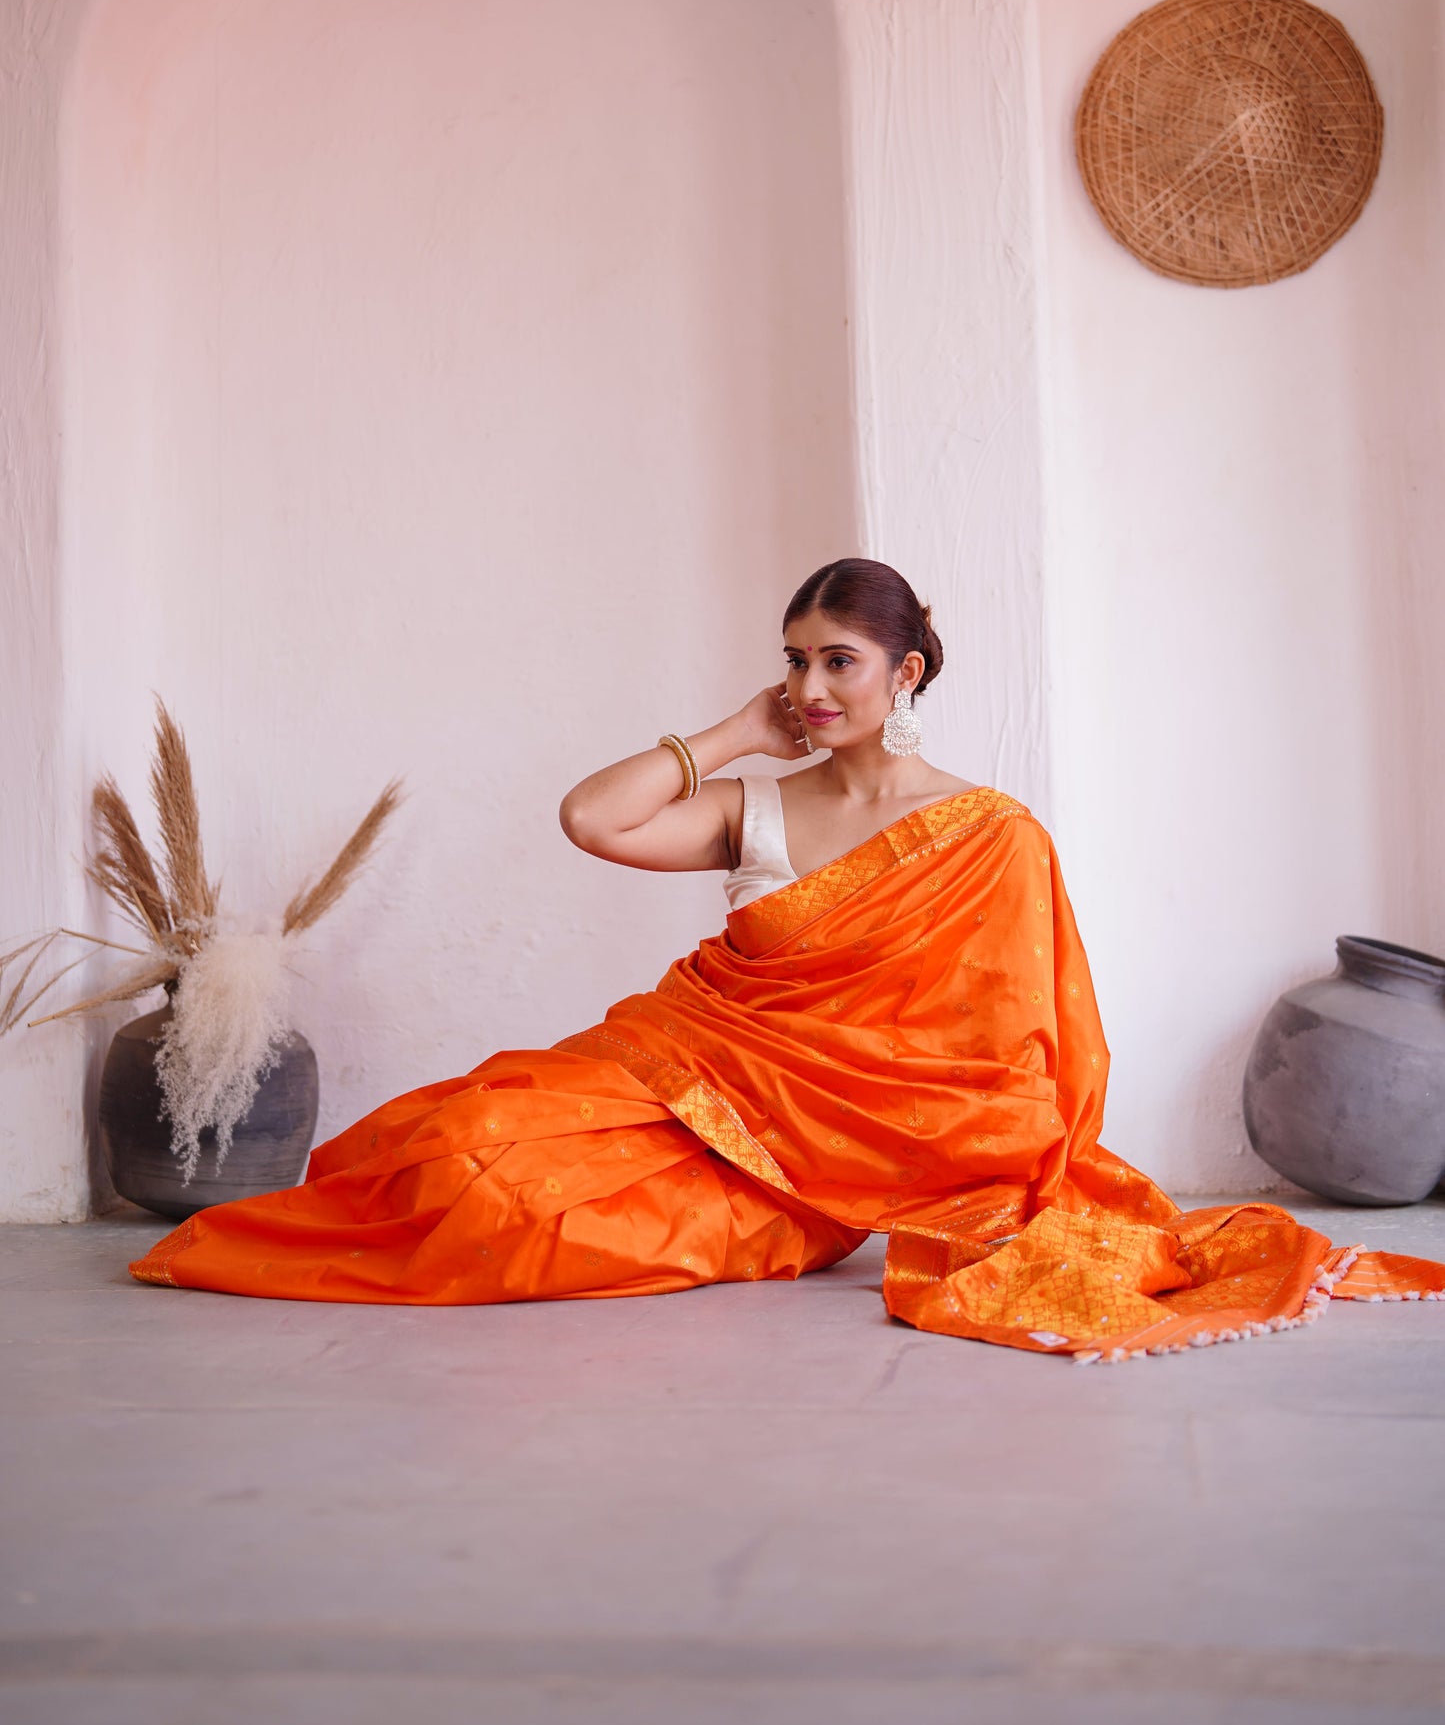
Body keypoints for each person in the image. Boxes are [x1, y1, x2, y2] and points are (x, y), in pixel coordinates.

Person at [130, 558, 1444, 1359]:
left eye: (839, 663)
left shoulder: (986, 836)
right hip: (671, 1081)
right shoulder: (758, 804)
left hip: (801, 1172)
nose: (813, 687)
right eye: (795, 663)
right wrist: (728, 733)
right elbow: (592, 818)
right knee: (444, 1144)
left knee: (503, 1216)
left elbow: (1002, 1059)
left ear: (906, 671)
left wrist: (901, 1163)